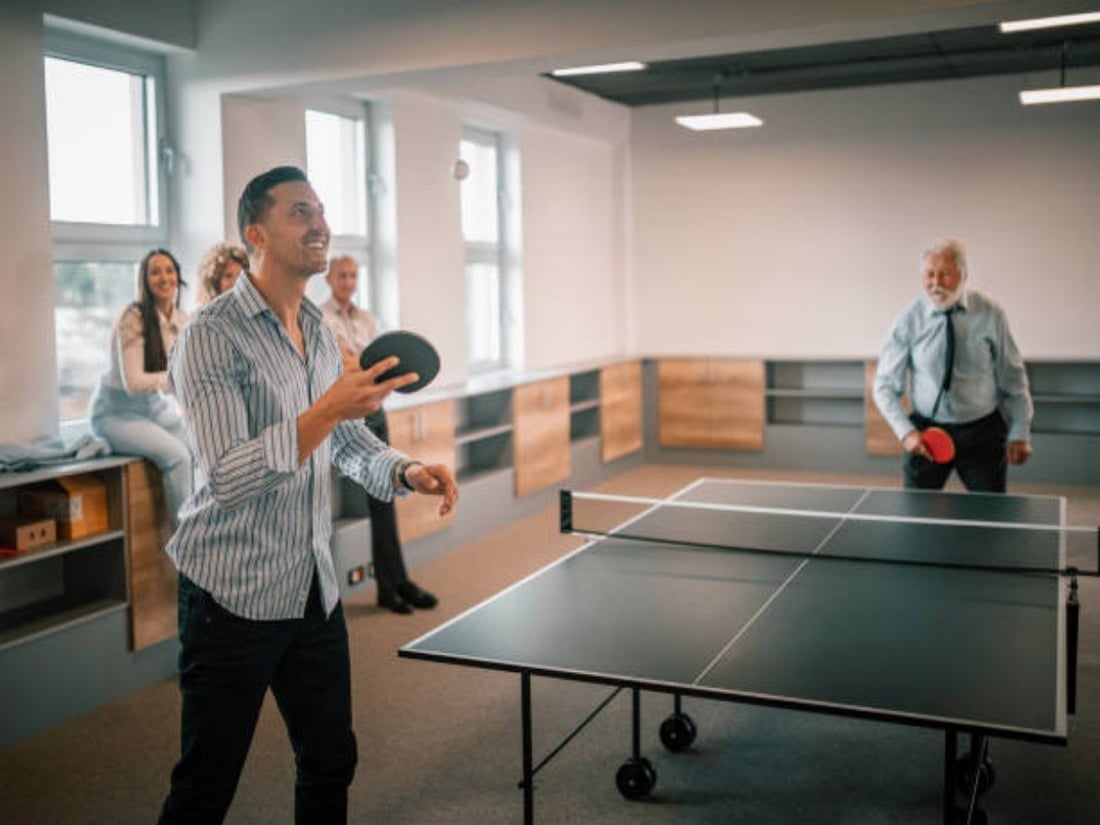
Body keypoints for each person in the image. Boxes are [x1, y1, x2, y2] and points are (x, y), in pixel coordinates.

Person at [158, 166, 458, 824]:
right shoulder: (209, 337)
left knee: (329, 760)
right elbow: (230, 473)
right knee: (206, 785)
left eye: (320, 210)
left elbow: (346, 444)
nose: (319, 223)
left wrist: (406, 470)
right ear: (256, 234)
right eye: (300, 212)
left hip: (310, 585)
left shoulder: (319, 332)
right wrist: (326, 411)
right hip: (229, 596)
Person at [320, 255, 438, 615]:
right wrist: (360, 364)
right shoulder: (319, 320)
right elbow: (345, 367)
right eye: (342, 274)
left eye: (353, 275)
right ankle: (386, 586)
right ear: (329, 278)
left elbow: (373, 365)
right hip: (341, 417)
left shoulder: (368, 319)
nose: (348, 280)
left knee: (385, 502)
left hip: (376, 412)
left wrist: (358, 363)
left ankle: (395, 584)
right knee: (369, 504)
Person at [872, 238, 1033, 492]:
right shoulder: (908, 319)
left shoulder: (991, 313)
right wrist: (906, 432)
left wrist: (1020, 430)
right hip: (927, 432)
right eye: (929, 275)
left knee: (989, 517)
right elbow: (883, 385)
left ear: (963, 274)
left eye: (945, 274)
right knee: (916, 517)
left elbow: (1013, 378)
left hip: (983, 433)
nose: (935, 283)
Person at [89, 249, 192, 528]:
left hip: (153, 410)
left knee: (200, 447)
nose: (164, 277)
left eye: (169, 270)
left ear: (178, 277)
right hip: (116, 415)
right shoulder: (132, 319)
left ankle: (207, 530)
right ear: (144, 280)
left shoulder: (183, 320)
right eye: (155, 271)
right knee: (179, 457)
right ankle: (187, 547)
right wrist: (176, 379)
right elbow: (134, 384)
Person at [195, 242, 249, 306]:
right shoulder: (208, 314)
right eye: (228, 276)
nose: (236, 281)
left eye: (240, 275)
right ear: (215, 283)